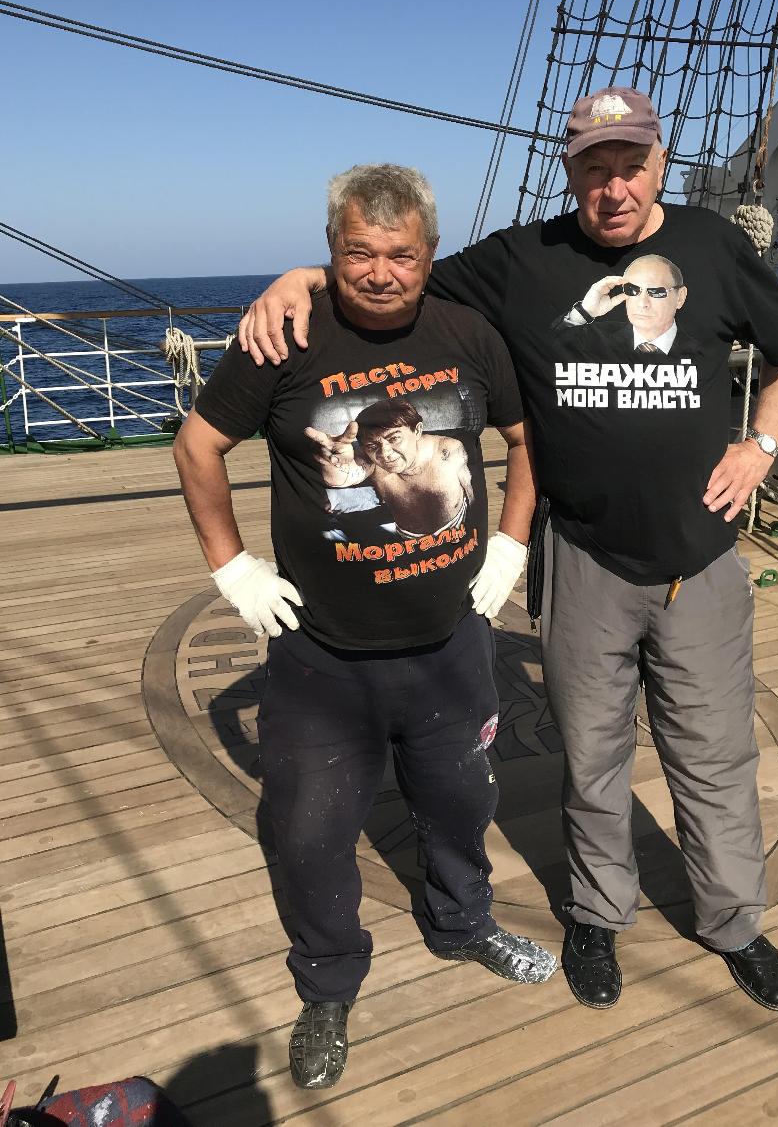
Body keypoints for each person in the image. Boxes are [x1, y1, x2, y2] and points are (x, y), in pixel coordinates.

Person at [237, 87, 778, 1015]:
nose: (614, 187)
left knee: (714, 757)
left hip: (698, 561)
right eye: (595, 167)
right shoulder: (522, 259)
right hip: (582, 555)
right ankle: (597, 914)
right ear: (571, 171)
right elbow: (396, 273)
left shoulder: (713, 244)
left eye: (631, 165)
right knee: (591, 755)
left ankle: (734, 922)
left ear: (660, 163)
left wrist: (763, 445)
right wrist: (303, 277)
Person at [172, 163, 557, 1092]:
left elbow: (524, 438)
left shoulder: (469, 331)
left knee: (463, 804)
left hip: (452, 643)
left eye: (401, 254)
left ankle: (464, 922)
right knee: (309, 833)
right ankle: (328, 982)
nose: (381, 272)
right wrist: (231, 566)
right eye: (358, 253)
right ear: (330, 251)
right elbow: (198, 444)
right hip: (323, 658)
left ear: (429, 254)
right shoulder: (286, 336)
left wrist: (511, 542)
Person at [305, 398, 474, 537]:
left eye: (394, 439)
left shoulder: (447, 450)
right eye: (372, 445)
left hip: (457, 525)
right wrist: (335, 465)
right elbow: (344, 476)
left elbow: (467, 485)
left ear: (417, 430)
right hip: (407, 536)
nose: (385, 454)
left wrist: (472, 521)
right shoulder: (371, 461)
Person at [554, 252, 700, 361]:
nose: (643, 303)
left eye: (656, 292)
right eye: (633, 290)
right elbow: (546, 350)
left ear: (680, 297)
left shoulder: (703, 350)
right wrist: (585, 312)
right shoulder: (596, 340)